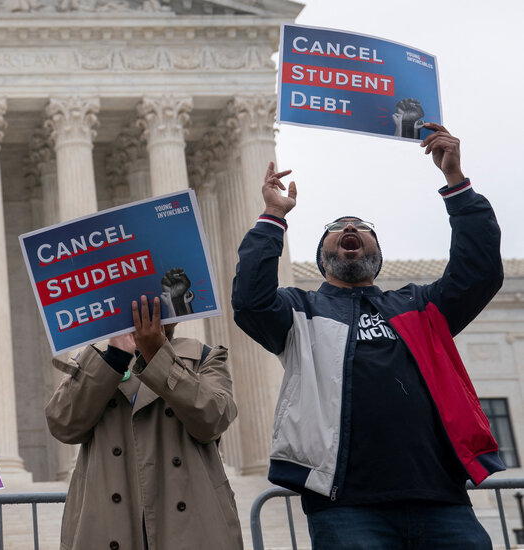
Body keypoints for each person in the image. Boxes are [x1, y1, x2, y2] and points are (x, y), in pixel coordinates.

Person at [231, 123, 503, 549]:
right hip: (346, 509)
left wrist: (456, 183)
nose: (350, 229)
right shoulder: (300, 312)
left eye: (362, 227)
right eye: (338, 228)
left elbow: (480, 272)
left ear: (376, 257)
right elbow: (250, 301)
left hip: (442, 501)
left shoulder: (419, 306)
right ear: (323, 259)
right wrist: (273, 219)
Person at [45, 296, 242, 550]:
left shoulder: (205, 358)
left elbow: (213, 419)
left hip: (193, 528)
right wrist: (113, 359)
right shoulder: (96, 359)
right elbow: (63, 423)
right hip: (107, 525)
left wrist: (158, 357)